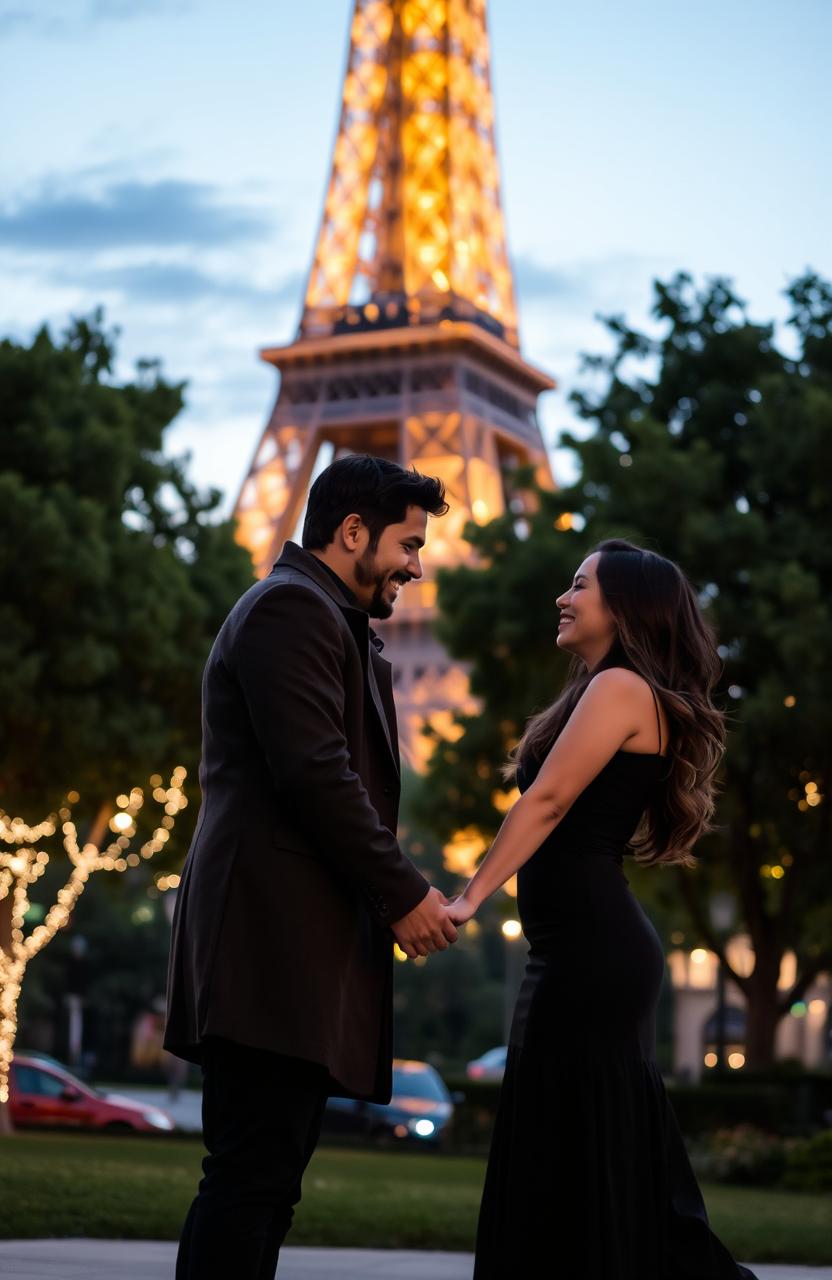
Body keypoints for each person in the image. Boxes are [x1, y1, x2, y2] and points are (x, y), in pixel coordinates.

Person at [165, 454, 458, 1280]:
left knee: (266, 1182)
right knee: (251, 1177)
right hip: (268, 948)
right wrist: (403, 895)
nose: (417, 562)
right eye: (407, 542)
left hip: (287, 950)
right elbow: (314, 772)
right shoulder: (291, 610)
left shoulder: (321, 616)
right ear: (352, 531)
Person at [444, 538, 758, 1280]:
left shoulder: (621, 689)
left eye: (579, 583)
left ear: (622, 606)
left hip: (588, 954)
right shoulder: (610, 688)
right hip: (581, 949)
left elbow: (547, 801)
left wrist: (466, 900)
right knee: (579, 1149)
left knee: (567, 1146)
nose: (563, 595)